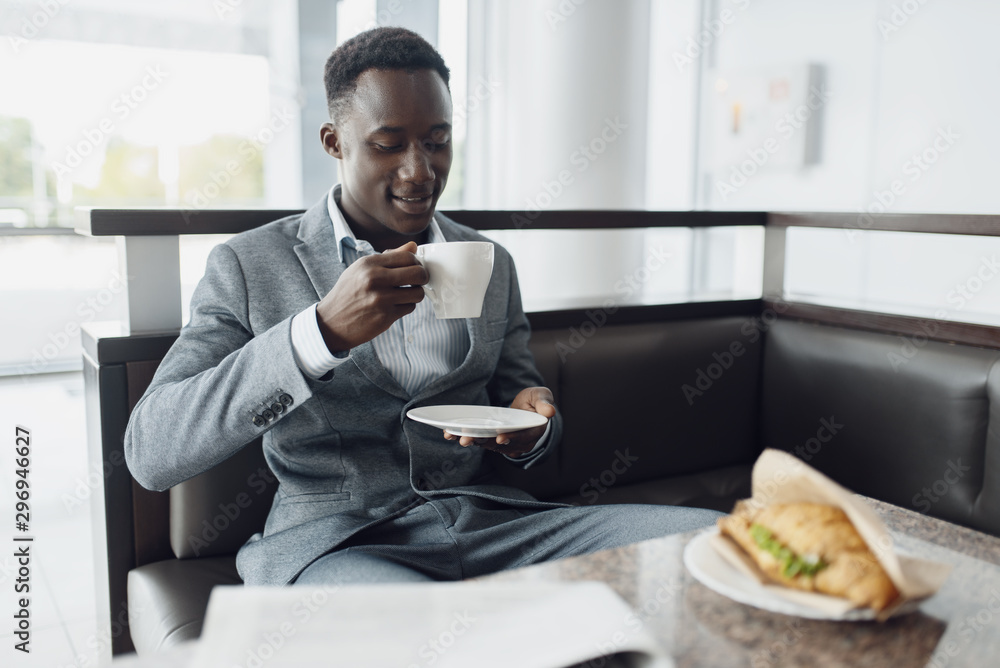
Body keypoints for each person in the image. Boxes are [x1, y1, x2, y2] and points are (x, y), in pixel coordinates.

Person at [124, 26, 719, 587]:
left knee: (713, 545)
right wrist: (320, 333)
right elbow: (152, 452)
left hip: (495, 525)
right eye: (388, 145)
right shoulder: (249, 266)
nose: (421, 171)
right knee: (413, 627)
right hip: (338, 544)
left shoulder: (488, 260)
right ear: (334, 142)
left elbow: (524, 398)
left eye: (438, 142)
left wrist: (532, 427)